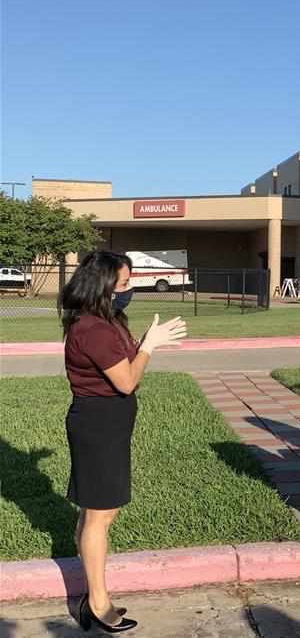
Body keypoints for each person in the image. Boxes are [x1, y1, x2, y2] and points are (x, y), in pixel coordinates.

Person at [59, 251, 187, 633]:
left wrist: (144, 342)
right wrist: (151, 345)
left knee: (99, 513)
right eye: (125, 282)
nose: (130, 288)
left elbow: (124, 367)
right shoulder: (93, 329)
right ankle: (97, 603)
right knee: (99, 515)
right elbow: (127, 381)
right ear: (104, 285)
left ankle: (91, 594)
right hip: (98, 428)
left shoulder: (104, 321)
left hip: (108, 426)